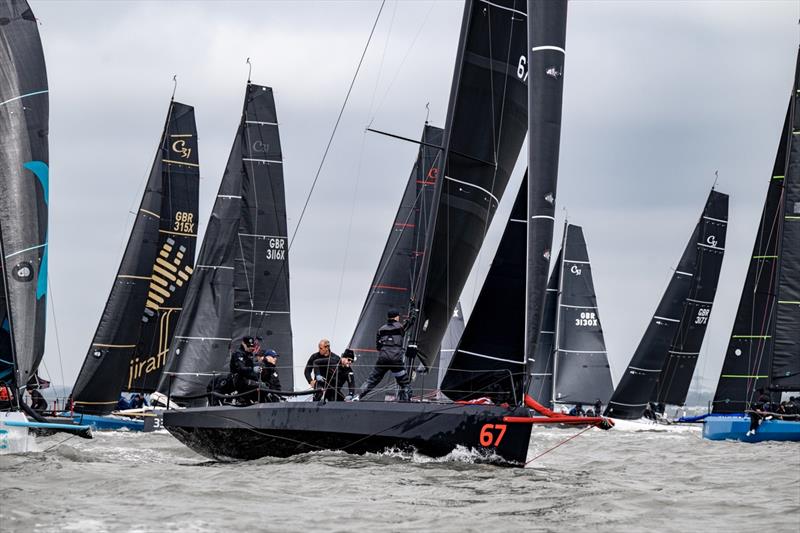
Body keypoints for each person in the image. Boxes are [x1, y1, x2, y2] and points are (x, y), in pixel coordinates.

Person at [355, 308, 416, 402]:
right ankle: (407, 401)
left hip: (383, 359)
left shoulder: (381, 329)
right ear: (397, 317)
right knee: (404, 382)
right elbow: (410, 322)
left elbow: (378, 346)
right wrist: (413, 312)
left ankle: (358, 396)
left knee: (372, 380)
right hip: (396, 360)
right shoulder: (400, 328)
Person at [230, 336, 261, 404]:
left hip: (247, 378)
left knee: (264, 385)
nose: (250, 348)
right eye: (248, 346)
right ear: (243, 343)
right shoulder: (238, 353)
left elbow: (250, 367)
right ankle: (240, 398)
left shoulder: (249, 354)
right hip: (239, 379)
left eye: (251, 346)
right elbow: (241, 368)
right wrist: (253, 369)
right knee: (261, 386)